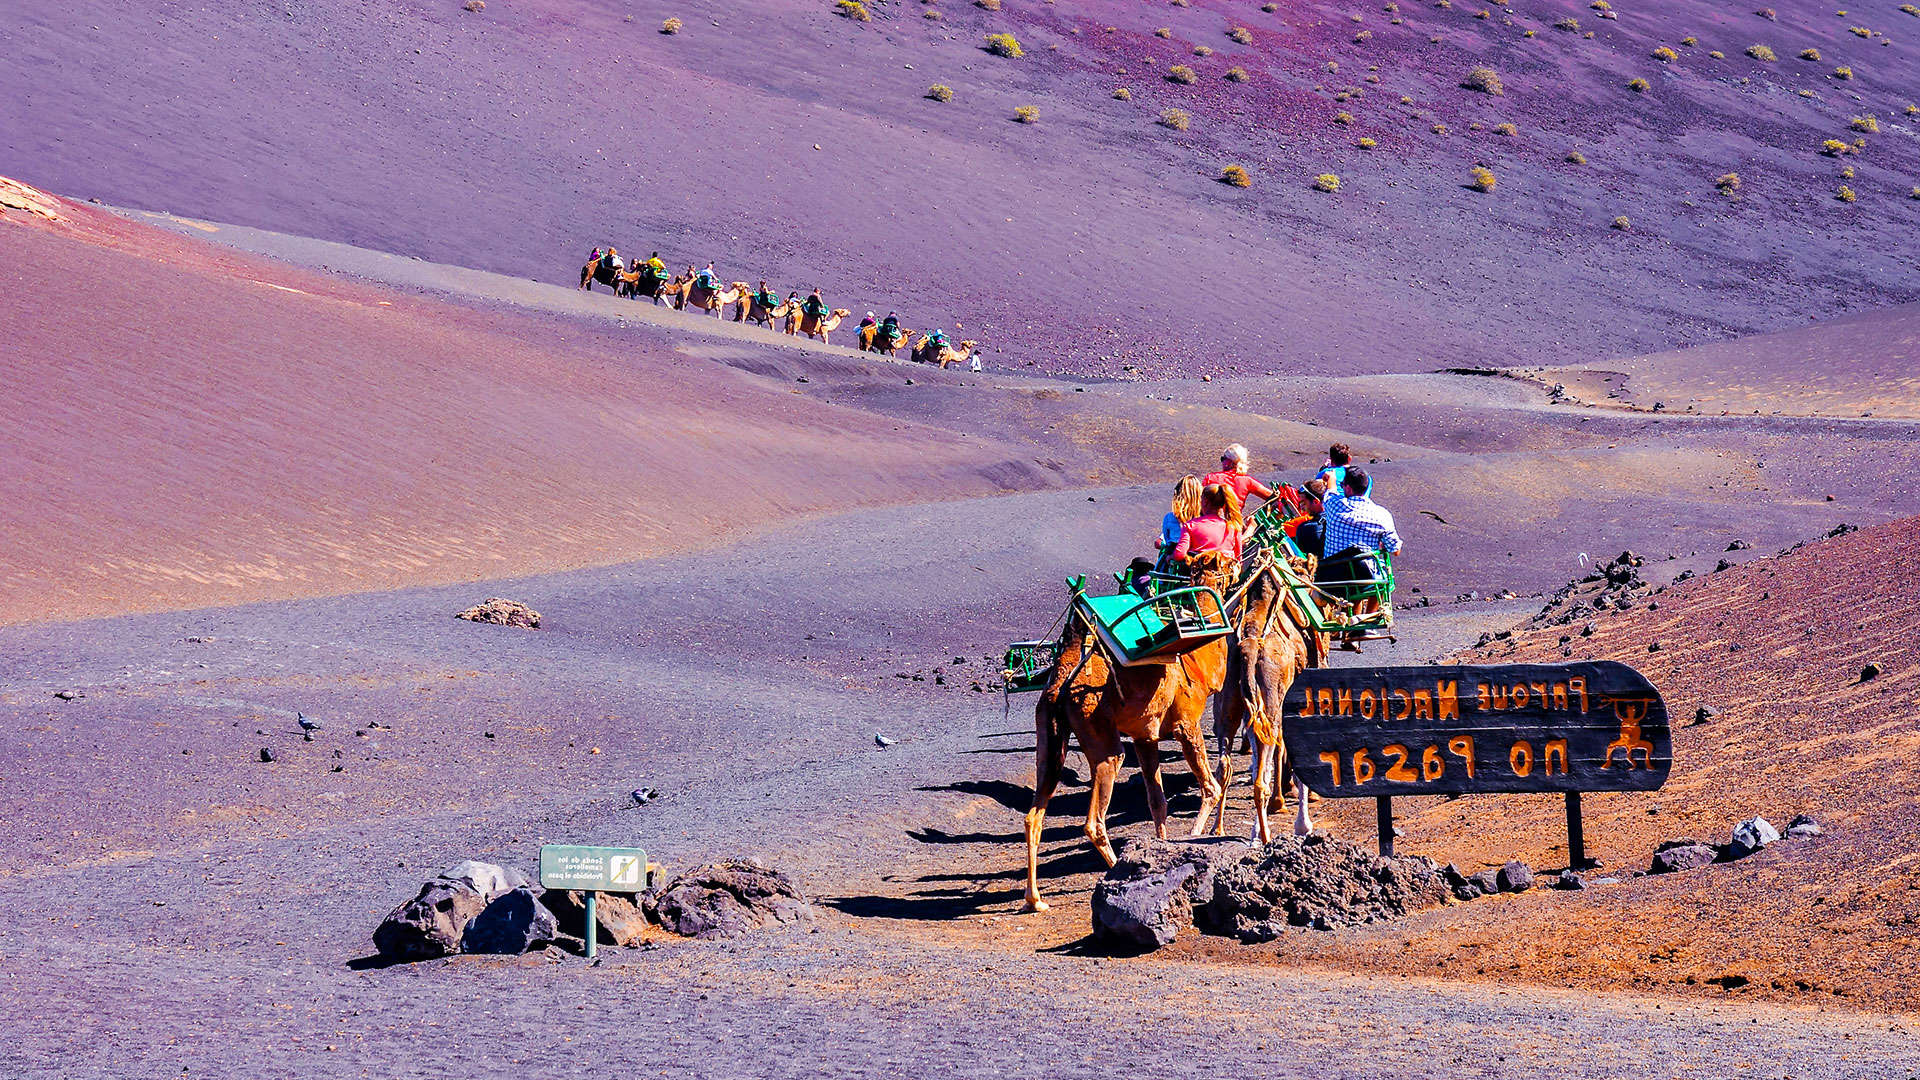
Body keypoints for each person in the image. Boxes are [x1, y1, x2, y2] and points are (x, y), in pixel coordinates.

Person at [1171, 484, 1244, 564]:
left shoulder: (1191, 525)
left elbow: (1179, 555)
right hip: (1225, 573)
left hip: (1199, 572)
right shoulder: (1233, 526)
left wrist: (1170, 557)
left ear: (1205, 502)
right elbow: (1238, 558)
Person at [1202, 444, 1276, 513]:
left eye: (1223, 459)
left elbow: (1199, 501)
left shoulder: (1211, 477)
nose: (1222, 462)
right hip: (1235, 523)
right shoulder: (1247, 481)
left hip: (1212, 520)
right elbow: (1273, 497)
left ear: (1229, 462)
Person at [1158, 475, 1203, 566]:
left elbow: (1167, 539)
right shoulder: (1205, 519)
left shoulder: (1170, 518)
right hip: (1198, 560)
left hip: (1174, 560)